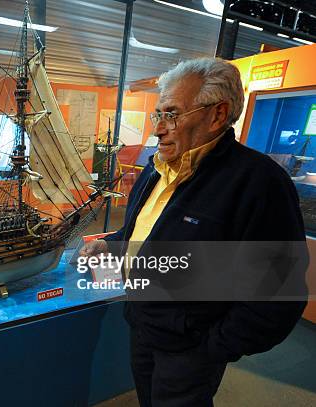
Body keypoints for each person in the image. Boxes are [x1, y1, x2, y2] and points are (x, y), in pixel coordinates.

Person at [80, 58, 308, 406]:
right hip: (142, 326)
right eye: (158, 115)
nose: (158, 128)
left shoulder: (259, 183)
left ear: (217, 114)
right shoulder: (156, 169)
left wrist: (211, 348)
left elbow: (278, 292)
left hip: (190, 348)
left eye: (171, 114)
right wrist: (110, 245)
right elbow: (143, 231)